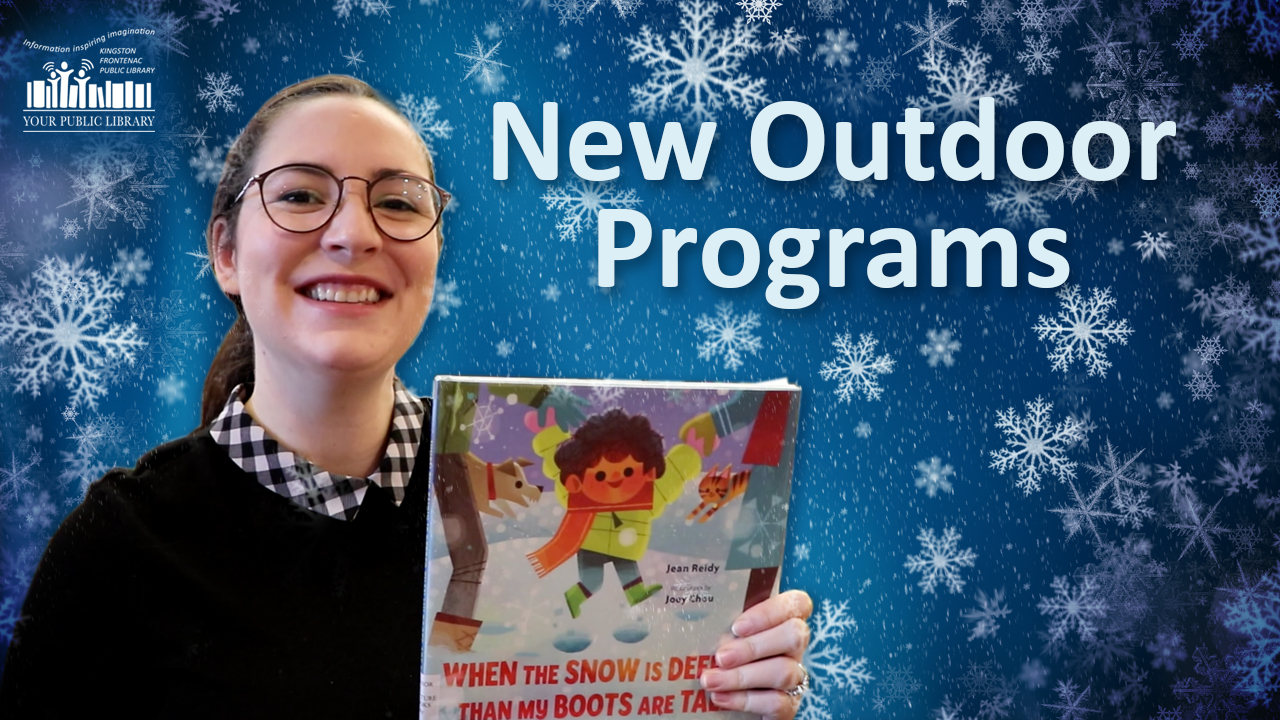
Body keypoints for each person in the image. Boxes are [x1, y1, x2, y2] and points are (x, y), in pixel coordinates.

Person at [0, 76, 813, 719]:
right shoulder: (120, 547)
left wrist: (726, 695)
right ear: (225, 252)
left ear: (432, 259)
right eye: (299, 194)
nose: (354, 232)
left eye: (396, 202)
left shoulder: (518, 489)